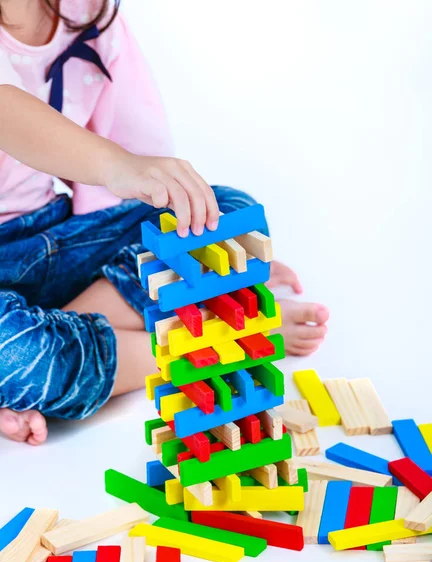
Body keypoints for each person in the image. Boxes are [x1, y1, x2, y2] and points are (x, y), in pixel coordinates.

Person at [0, 0, 329, 445]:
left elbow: (141, 163)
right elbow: (9, 112)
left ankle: (47, 361)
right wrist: (117, 165)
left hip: (53, 237)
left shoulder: (89, 10)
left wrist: (221, 255)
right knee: (11, 348)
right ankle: (221, 341)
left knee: (224, 209)